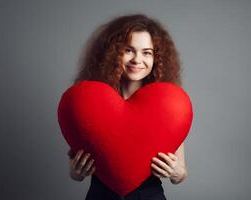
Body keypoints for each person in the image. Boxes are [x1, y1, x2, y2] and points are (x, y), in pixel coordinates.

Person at [67, 14, 188, 200]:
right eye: (129, 50)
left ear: (157, 58)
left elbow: (180, 174)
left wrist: (176, 172)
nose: (137, 59)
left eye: (147, 52)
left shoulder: (166, 105)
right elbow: (75, 174)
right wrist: (77, 171)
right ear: (113, 53)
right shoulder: (90, 102)